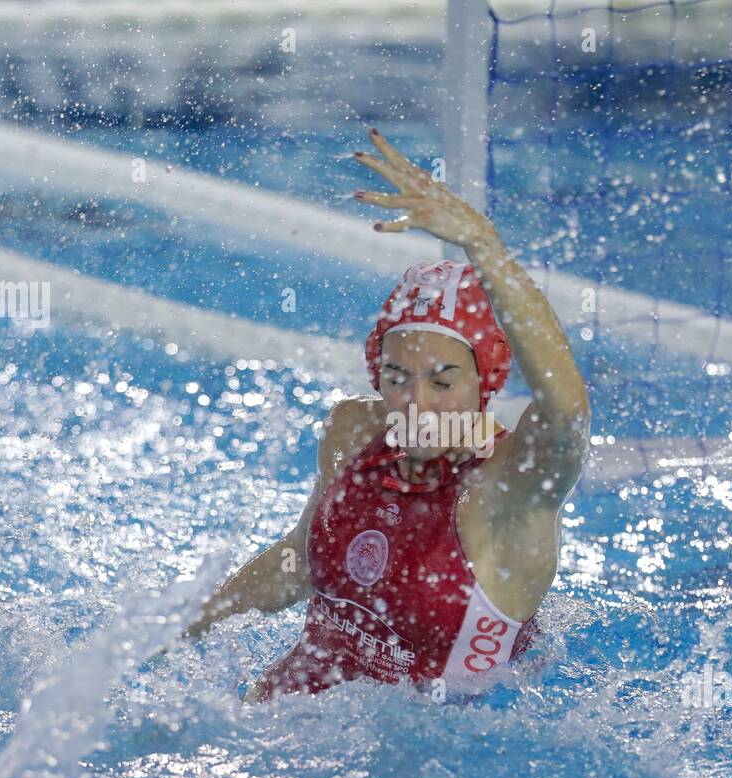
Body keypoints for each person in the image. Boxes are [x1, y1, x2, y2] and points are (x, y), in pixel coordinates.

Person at [183, 128, 590, 702]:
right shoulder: (355, 432)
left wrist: (485, 246)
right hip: (289, 714)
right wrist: (183, 631)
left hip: (435, 757)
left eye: (443, 381)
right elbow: (300, 560)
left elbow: (567, 408)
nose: (417, 403)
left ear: (487, 381)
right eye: (397, 379)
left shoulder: (511, 488)